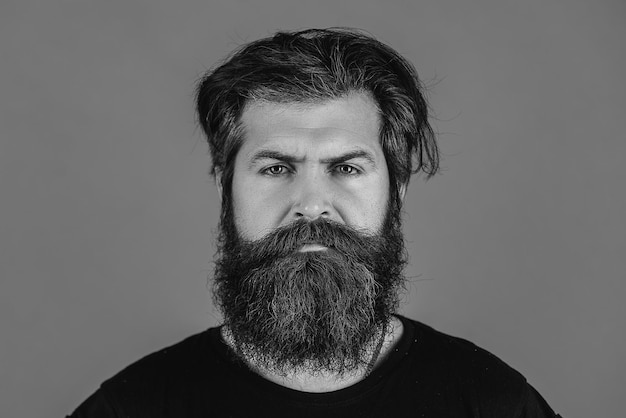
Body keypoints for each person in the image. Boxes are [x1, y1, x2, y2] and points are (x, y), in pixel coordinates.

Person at [69, 28, 561, 417]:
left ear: (397, 190)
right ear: (226, 188)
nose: (310, 204)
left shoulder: (492, 402)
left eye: (346, 168)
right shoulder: (134, 407)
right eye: (276, 168)